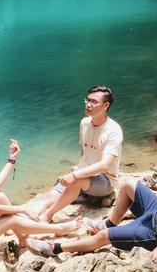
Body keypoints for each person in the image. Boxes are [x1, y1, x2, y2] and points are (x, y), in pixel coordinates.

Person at [27, 119, 157, 264]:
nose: (156, 141)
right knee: (128, 185)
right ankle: (110, 224)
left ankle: (53, 248)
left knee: (103, 237)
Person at [30, 86, 123, 223]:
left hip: (105, 180)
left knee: (76, 180)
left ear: (106, 105)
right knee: (47, 197)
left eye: (93, 102)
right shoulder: (84, 123)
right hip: (82, 174)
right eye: (87, 100)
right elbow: (85, 151)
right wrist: (80, 168)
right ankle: (24, 219)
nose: (88, 105)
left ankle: (47, 216)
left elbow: (105, 165)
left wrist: (75, 175)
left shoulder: (113, 130)